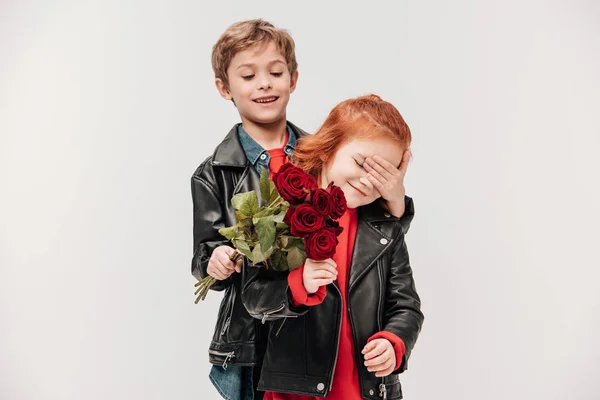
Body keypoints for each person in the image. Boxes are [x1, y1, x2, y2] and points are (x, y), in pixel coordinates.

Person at [241, 94, 424, 400]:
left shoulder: (384, 228)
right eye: (361, 163)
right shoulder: (278, 211)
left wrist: (394, 342)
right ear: (328, 149)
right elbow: (252, 296)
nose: (368, 181)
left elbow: (406, 306)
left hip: (366, 390)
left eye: (382, 174)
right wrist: (299, 283)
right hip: (293, 391)